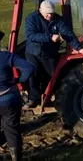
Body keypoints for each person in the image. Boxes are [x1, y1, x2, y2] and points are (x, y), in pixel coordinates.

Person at [23, 0, 83, 109]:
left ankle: (47, 98)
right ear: (40, 11)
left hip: (49, 53)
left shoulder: (58, 20)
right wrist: (50, 37)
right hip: (33, 52)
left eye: (51, 13)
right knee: (33, 75)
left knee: (51, 75)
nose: (49, 15)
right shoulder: (31, 19)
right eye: (47, 13)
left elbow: (68, 34)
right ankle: (33, 99)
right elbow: (31, 36)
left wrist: (79, 48)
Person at [0, 31, 35, 161]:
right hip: (9, 99)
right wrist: (19, 80)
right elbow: (29, 68)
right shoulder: (6, 56)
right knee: (12, 130)